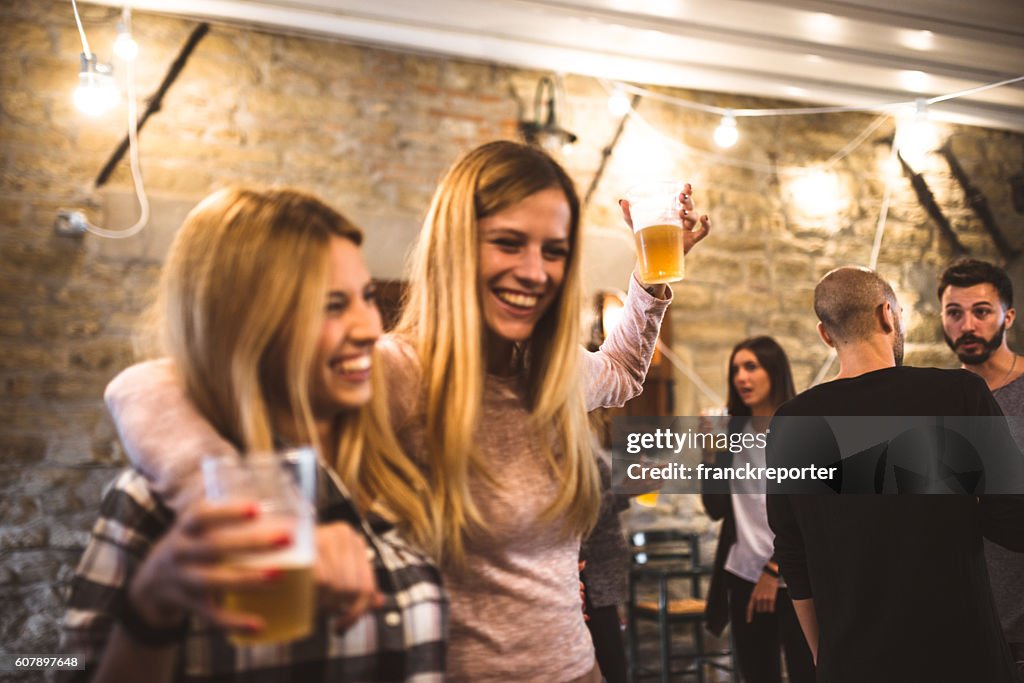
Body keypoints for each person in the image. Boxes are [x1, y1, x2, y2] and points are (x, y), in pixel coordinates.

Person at [99, 141, 712, 681]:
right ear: (456, 246)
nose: (535, 271)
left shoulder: (556, 378)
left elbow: (627, 369)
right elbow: (149, 386)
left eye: (554, 251)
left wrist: (651, 274)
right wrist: (238, 505)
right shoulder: (401, 370)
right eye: (507, 243)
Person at [60, 188, 445, 682]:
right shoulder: (157, 501)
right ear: (247, 327)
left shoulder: (391, 468)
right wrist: (149, 610)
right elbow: (58, 666)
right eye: (331, 306)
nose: (370, 328)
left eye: (366, 297)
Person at [765, 266, 1024, 683]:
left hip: (853, 661)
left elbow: (794, 555)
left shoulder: (792, 422)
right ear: (889, 315)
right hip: (961, 655)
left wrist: (825, 656)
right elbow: (1014, 521)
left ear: (826, 334)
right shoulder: (958, 394)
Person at [701, 337, 814, 683]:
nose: (740, 377)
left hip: (794, 576)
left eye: (751, 367)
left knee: (806, 671)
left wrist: (774, 570)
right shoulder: (732, 432)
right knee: (756, 674)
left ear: (774, 372)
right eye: (735, 369)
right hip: (742, 574)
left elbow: (808, 513)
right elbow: (716, 508)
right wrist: (709, 455)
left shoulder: (800, 430)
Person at [938, 257, 1024, 675]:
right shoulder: (938, 400)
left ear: (1008, 315)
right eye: (954, 313)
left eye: (981, 311)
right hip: (964, 618)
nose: (967, 325)